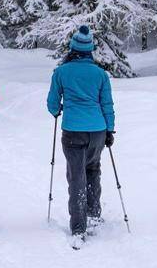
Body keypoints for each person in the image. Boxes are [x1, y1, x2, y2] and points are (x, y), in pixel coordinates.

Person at [46, 25, 115, 250]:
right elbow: (107, 104)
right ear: (90, 50)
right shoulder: (100, 74)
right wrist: (110, 130)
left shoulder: (61, 72)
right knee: (93, 170)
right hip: (97, 130)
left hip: (73, 130)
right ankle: (94, 214)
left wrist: (60, 109)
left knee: (77, 176)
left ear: (73, 48)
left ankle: (78, 228)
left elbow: (52, 105)